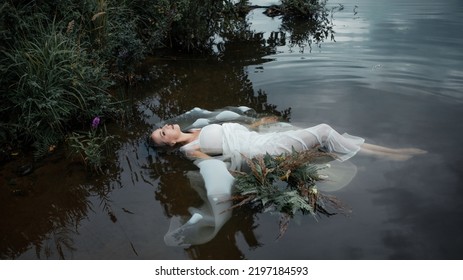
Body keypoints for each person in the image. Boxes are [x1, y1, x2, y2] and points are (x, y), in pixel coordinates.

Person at [150, 116, 426, 170]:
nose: (165, 128)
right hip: (261, 150)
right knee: (325, 130)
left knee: (328, 136)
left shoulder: (197, 128)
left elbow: (232, 131)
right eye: (163, 134)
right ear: (170, 145)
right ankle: (387, 154)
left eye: (162, 128)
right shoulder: (189, 150)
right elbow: (218, 166)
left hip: (262, 138)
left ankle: (389, 153)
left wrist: (257, 125)